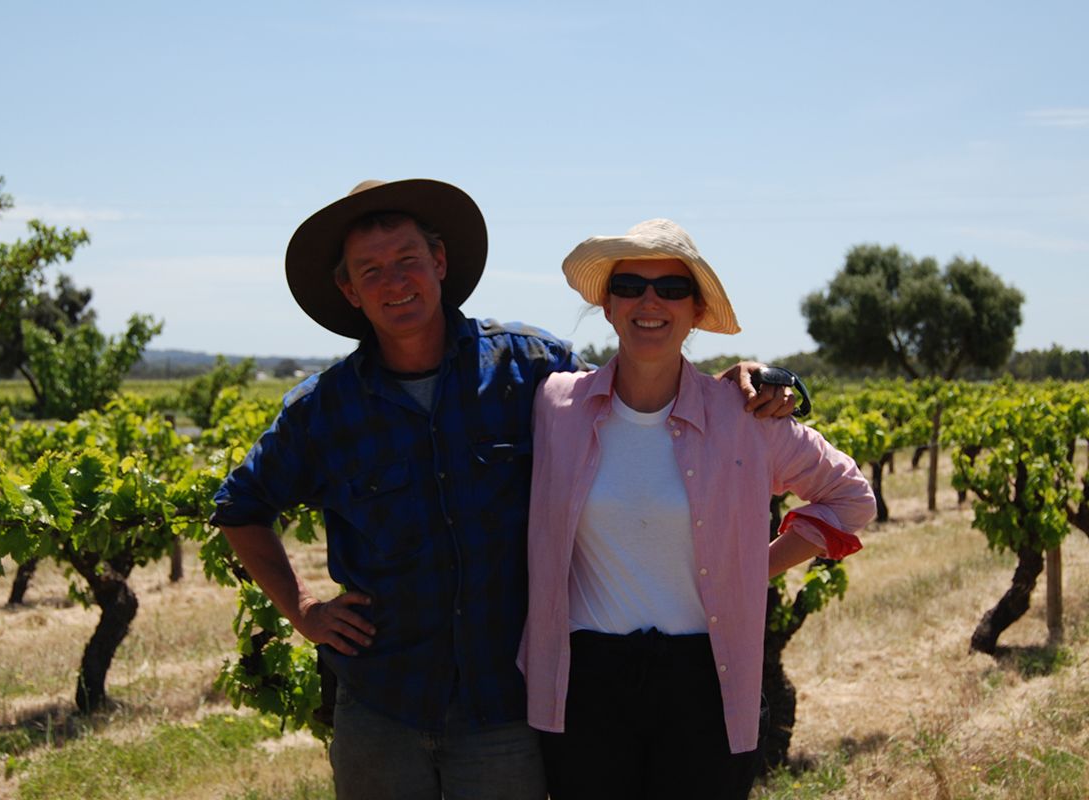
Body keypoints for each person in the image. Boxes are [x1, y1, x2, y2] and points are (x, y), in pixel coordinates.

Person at [211, 180, 798, 800]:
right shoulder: (322, 410)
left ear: (439, 263)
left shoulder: (533, 370)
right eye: (371, 270)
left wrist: (738, 385)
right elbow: (240, 507)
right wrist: (304, 610)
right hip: (383, 702)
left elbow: (637, 389)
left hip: (505, 706)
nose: (394, 281)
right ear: (349, 290)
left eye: (408, 260)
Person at [518, 218, 877, 800]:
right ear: (608, 307)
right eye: (629, 286)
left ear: (694, 311)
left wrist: (747, 569)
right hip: (585, 683)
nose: (649, 301)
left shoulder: (744, 418)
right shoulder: (555, 406)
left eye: (671, 289)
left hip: (703, 681)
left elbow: (851, 498)